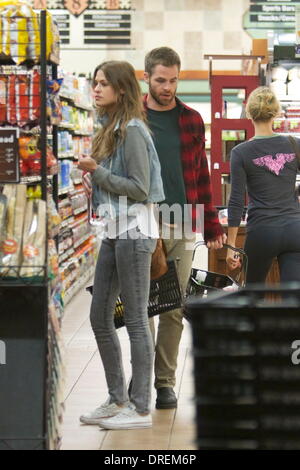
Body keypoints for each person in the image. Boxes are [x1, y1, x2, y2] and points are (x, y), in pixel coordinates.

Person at [78, 60, 165, 430]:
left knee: (135, 320)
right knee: (99, 317)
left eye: (103, 84)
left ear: (122, 89)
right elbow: (117, 185)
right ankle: (117, 398)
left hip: (135, 232)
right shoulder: (110, 127)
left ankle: (141, 408)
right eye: (95, 83)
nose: (96, 90)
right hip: (115, 231)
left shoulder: (131, 130)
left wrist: (97, 173)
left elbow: (140, 189)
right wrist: (94, 185)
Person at [143, 47, 226, 409]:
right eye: (161, 80)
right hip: (140, 223)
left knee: (173, 307)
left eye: (173, 80)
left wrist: (211, 223)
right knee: (141, 306)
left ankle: (165, 383)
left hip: (183, 221)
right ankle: (139, 379)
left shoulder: (191, 119)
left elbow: (202, 174)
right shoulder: (133, 117)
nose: (168, 87)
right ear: (146, 77)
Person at [226, 86, 300, 284]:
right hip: (294, 229)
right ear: (276, 112)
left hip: (262, 230)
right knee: (293, 300)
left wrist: (231, 245)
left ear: (249, 113)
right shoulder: (294, 144)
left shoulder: (241, 152)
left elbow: (235, 201)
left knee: (252, 296)